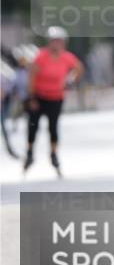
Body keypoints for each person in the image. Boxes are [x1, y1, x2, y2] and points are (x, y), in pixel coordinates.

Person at [25, 27, 83, 176]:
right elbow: (32, 76)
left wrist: (70, 80)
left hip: (56, 97)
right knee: (33, 126)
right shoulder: (41, 56)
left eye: (59, 41)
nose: (56, 44)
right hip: (39, 96)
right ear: (49, 42)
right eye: (54, 41)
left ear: (63, 43)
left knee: (53, 127)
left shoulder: (66, 57)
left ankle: (53, 154)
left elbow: (78, 68)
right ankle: (30, 152)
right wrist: (31, 97)